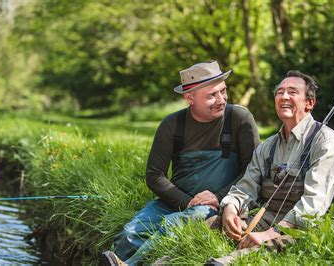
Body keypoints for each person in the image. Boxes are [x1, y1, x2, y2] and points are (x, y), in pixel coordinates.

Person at [101, 60, 260, 265]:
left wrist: (218, 196)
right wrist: (187, 202)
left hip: (222, 204)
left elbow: (253, 170)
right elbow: (154, 175)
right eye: (212, 95)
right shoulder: (172, 125)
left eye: (223, 91)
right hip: (177, 202)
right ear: (189, 97)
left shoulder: (239, 118)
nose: (221, 99)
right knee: (130, 233)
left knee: (175, 225)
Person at [214, 70, 334, 263]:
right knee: (214, 224)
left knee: (269, 247)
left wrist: (270, 233)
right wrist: (230, 209)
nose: (284, 96)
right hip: (272, 217)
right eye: (280, 92)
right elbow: (246, 187)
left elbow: (314, 206)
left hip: (318, 224)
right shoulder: (267, 147)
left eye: (292, 92)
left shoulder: (326, 143)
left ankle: (227, 261)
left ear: (309, 103)